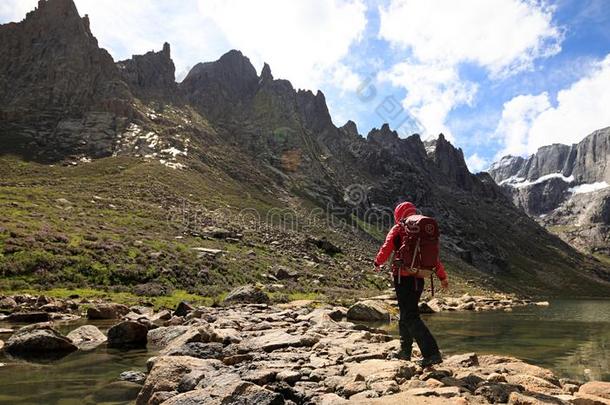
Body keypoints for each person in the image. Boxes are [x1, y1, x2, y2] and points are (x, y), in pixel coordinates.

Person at [373, 201, 449, 367]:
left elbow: (387, 247)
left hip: (403, 278)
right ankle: (405, 352)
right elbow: (434, 258)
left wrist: (378, 262)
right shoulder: (422, 233)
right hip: (419, 278)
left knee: (409, 315)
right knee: (406, 314)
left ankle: (432, 353)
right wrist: (442, 277)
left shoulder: (399, 228)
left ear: (398, 214)